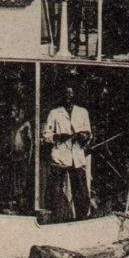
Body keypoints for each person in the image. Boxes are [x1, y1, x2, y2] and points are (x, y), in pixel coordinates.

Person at [44, 85, 92, 221]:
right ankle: (58, 217)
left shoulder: (83, 112)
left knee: (81, 190)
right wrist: (58, 136)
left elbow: (89, 133)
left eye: (71, 93)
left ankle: (82, 217)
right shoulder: (54, 113)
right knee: (56, 189)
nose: (69, 96)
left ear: (75, 95)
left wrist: (84, 136)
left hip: (77, 155)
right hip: (60, 155)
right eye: (66, 93)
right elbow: (46, 135)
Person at [0, 101, 33, 212]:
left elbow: (30, 142)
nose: (11, 113)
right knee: (11, 180)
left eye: (14, 110)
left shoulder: (25, 124)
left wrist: (29, 158)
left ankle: (21, 205)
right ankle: (11, 204)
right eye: (10, 110)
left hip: (22, 157)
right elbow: (4, 141)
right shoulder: (8, 125)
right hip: (11, 157)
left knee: (22, 181)